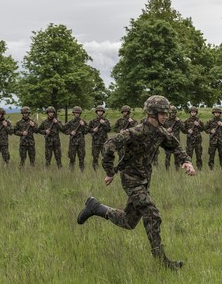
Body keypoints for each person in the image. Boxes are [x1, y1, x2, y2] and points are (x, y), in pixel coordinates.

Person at [76, 95, 195, 271]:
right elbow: (109, 145)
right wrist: (110, 171)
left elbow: (175, 146)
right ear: (153, 113)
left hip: (144, 180)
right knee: (153, 214)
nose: (166, 116)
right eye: (163, 113)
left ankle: (96, 208)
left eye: (167, 113)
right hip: (131, 179)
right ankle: (162, 262)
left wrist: (186, 161)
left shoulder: (161, 132)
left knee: (129, 221)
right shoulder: (136, 131)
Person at [63, 106, 88, 171]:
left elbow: (86, 132)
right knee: (72, 158)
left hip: (81, 143)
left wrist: (83, 125)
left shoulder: (83, 122)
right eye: (75, 113)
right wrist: (70, 132)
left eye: (78, 113)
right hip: (72, 142)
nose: (77, 114)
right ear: (73, 113)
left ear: (80, 113)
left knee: (81, 158)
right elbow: (63, 129)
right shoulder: (70, 122)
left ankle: (82, 171)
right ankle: (71, 171)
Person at [89, 105, 111, 170]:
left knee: (105, 156)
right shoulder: (92, 121)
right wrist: (93, 130)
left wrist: (104, 123)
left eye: (101, 111)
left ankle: (106, 170)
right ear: (96, 112)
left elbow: (109, 129)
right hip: (95, 142)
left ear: (103, 112)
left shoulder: (106, 120)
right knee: (95, 157)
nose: (100, 112)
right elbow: (87, 129)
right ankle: (95, 170)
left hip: (104, 142)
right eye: (98, 111)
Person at [163, 105, 182, 170]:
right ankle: (167, 170)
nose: (172, 114)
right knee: (167, 157)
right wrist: (166, 130)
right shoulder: (165, 120)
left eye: (174, 113)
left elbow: (184, 130)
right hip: (168, 142)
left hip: (176, 142)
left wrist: (179, 121)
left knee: (177, 157)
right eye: (171, 113)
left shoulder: (178, 121)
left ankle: (177, 170)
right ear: (169, 113)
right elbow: (160, 129)